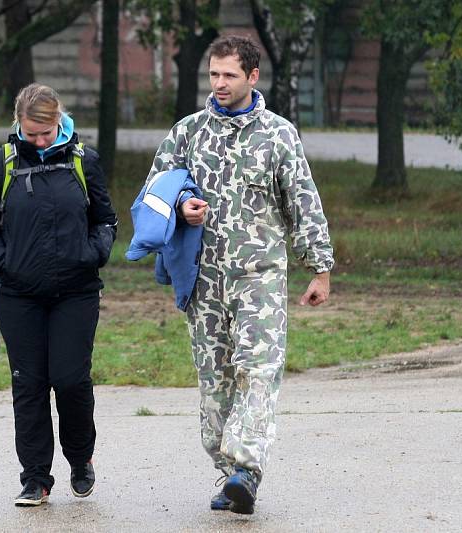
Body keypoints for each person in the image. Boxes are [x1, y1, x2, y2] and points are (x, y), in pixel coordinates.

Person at [145, 35, 334, 514]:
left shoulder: (278, 134)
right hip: (204, 280)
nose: (220, 83)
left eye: (230, 75)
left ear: (253, 76)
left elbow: (303, 202)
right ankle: (227, 469)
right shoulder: (187, 132)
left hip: (259, 278)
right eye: (214, 74)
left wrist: (320, 267)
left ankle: (246, 470)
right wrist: (180, 206)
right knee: (216, 382)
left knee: (258, 370)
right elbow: (153, 194)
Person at [0, 83, 117, 507]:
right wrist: (3, 263)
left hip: (77, 291)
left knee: (70, 380)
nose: (38, 141)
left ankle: (80, 458)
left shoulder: (83, 160)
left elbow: (105, 220)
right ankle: (35, 478)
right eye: (30, 133)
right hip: (18, 294)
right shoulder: (2, 162)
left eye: (46, 133)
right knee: (29, 385)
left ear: (59, 121)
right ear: (18, 123)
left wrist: (93, 254)